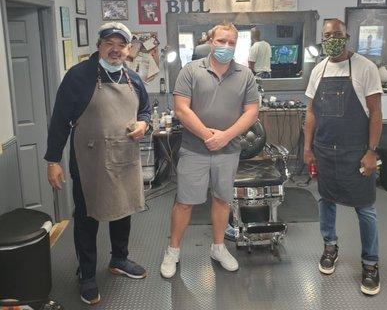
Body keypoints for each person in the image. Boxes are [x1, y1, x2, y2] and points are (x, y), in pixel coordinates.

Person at [45, 22, 151, 304]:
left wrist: (144, 124)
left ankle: (119, 259)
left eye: (121, 45)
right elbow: (59, 121)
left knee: (123, 208)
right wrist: (53, 159)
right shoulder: (79, 77)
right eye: (109, 43)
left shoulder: (133, 78)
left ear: (128, 50)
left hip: (125, 157)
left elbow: (146, 111)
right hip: (89, 159)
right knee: (87, 216)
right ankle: (87, 275)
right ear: (99, 46)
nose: (115, 49)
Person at [160, 22, 259, 278]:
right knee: (184, 202)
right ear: (210, 41)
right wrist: (207, 135)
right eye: (221, 41)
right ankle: (173, 251)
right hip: (195, 150)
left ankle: (218, 248)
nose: (226, 46)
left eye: (231, 43)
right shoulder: (191, 70)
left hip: (229, 150)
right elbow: (182, 108)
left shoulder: (245, 74)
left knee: (222, 199)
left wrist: (225, 136)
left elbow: (251, 112)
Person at [303, 18, 383, 296]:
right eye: (327, 35)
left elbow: (375, 113)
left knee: (365, 209)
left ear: (347, 36)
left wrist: (372, 152)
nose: (331, 39)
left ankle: (371, 264)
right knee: (326, 202)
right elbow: (311, 112)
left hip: (356, 152)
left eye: (337, 34)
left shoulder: (365, 67)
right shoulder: (318, 70)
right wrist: (307, 147)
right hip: (325, 151)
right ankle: (330, 247)